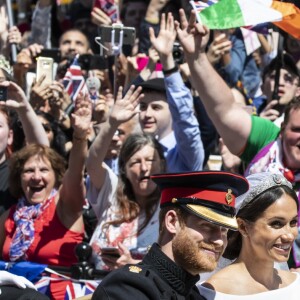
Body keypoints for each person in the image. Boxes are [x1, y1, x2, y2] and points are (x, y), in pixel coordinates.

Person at [176, 8, 300, 270]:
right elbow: (225, 110)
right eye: (297, 130)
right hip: (248, 270)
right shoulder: (267, 138)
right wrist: (196, 56)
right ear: (282, 126)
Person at [91, 170, 249, 299]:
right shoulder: (127, 288)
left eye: (224, 230)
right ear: (172, 222)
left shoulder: (195, 295)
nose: (219, 241)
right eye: (207, 226)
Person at [0, 92, 92, 299]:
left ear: (56, 176)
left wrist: (79, 136)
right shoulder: (11, 216)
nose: (36, 177)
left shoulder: (65, 204)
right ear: (19, 177)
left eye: (43, 170)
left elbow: (76, 172)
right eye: (28, 171)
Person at [86, 86, 167, 270]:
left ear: (161, 165)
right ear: (124, 170)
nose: (144, 168)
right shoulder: (112, 192)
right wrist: (112, 123)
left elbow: (175, 264)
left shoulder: (170, 209)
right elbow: (92, 164)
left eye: (150, 160)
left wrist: (132, 265)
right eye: (136, 162)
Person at [198, 172, 299, 299]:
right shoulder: (212, 293)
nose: (289, 236)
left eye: (293, 222)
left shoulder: (296, 284)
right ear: (243, 227)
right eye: (276, 224)